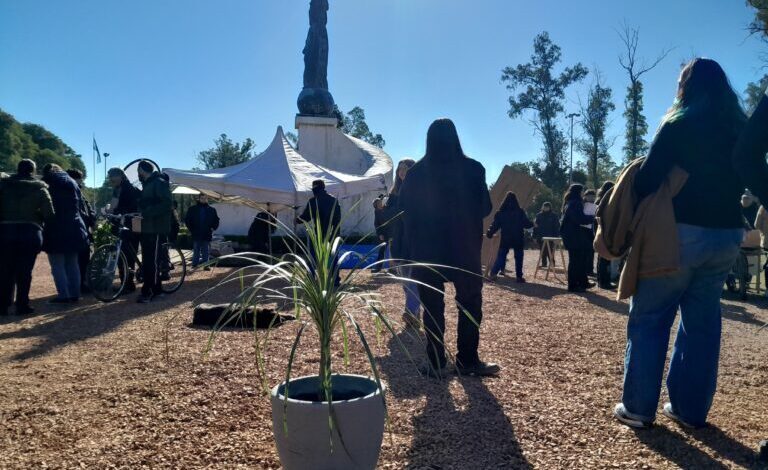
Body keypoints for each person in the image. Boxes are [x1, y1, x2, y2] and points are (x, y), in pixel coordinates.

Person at [613, 58, 747, 430]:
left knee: (651, 318)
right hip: (727, 235)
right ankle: (689, 410)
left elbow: (647, 180)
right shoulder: (739, 127)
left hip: (679, 233)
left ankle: (638, 408)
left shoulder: (678, 125)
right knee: (702, 324)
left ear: (685, 86)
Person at [400, 118, 498, 377]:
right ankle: (467, 360)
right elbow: (485, 208)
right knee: (470, 304)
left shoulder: (415, 173)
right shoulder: (474, 169)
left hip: (427, 249)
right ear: (456, 137)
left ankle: (435, 362)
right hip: (464, 247)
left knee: (432, 306)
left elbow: (405, 211)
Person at [0, 160, 54, 315]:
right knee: (25, 271)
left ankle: (3, 305)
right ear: (33, 171)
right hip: (30, 232)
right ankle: (22, 305)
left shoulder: (4, 186)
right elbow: (49, 213)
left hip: (5, 231)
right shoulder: (40, 189)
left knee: (4, 270)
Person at [41, 164, 89, 304]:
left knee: (57, 264)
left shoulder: (48, 183)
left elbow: (46, 209)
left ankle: (64, 296)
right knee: (73, 263)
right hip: (75, 226)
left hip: (56, 227)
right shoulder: (73, 183)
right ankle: (75, 294)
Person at [384, 159, 421, 328]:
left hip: (414, 241)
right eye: (400, 169)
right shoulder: (393, 195)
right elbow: (388, 219)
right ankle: (415, 309)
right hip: (397, 241)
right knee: (405, 280)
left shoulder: (420, 192)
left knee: (412, 278)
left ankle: (411, 312)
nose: (402, 172)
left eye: (405, 169)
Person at [136, 160, 173, 303]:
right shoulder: (149, 184)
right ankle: (155, 289)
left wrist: (147, 213)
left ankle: (149, 291)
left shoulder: (158, 182)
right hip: (148, 227)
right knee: (148, 260)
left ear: (142, 170)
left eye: (139, 171)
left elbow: (166, 203)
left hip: (156, 228)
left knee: (152, 260)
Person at [296, 179, 341, 285]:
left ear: (314, 189)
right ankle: (335, 280)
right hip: (333, 234)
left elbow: (306, 217)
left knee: (312, 256)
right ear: (324, 187)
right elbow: (338, 218)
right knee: (334, 257)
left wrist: (297, 219)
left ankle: (311, 278)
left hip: (318, 235)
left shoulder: (313, 201)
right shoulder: (334, 200)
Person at [107, 167, 142, 293]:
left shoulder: (126, 188)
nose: (111, 179)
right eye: (110, 176)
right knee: (123, 256)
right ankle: (125, 283)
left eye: (113, 176)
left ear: (121, 176)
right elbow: (114, 205)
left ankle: (128, 284)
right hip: (124, 224)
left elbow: (119, 206)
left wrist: (111, 212)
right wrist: (110, 212)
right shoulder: (121, 188)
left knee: (127, 256)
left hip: (129, 224)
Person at [487, 192, 533, 282]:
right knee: (519, 257)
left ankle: (493, 273)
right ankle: (519, 277)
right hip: (518, 237)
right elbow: (526, 224)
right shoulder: (520, 212)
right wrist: (533, 224)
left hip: (506, 238)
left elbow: (495, 225)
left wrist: (490, 233)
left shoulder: (501, 213)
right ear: (516, 201)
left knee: (501, 256)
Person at [560, 184, 595, 293]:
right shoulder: (575, 203)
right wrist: (593, 218)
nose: (583, 193)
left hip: (573, 235)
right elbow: (579, 218)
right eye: (582, 191)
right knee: (576, 261)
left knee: (580, 259)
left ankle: (583, 282)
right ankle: (573, 285)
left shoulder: (570, 202)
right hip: (574, 235)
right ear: (578, 192)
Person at [66, 169, 96, 293]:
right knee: (78, 261)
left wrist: (92, 219)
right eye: (80, 179)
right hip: (78, 230)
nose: (82, 182)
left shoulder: (77, 191)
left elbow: (88, 209)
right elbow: (83, 212)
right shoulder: (73, 191)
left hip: (81, 231)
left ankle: (81, 284)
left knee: (82, 260)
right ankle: (78, 285)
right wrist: (91, 220)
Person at [184, 194, 220, 270]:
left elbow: (216, 220)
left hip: (206, 232)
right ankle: (194, 265)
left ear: (207, 199)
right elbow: (187, 220)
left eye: (205, 198)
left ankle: (206, 265)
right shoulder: (192, 209)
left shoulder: (212, 210)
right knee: (196, 249)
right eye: (202, 198)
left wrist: (213, 228)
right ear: (199, 199)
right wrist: (191, 229)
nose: (203, 199)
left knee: (205, 249)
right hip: (196, 232)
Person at [596, 181, 616, 289]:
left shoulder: (599, 200)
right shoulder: (607, 201)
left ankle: (602, 280)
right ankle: (604, 281)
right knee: (605, 258)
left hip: (601, 231)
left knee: (602, 257)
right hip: (605, 231)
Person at [534, 202, 559, 267]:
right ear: (542, 207)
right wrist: (534, 236)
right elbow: (535, 226)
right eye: (544, 206)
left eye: (547, 207)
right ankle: (544, 264)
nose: (545, 208)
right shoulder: (538, 215)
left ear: (550, 207)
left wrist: (556, 237)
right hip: (541, 237)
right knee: (542, 252)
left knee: (550, 251)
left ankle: (552, 265)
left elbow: (556, 227)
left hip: (551, 237)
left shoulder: (554, 216)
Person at [583, 189, 598, 276]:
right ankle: (586, 269)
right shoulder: (582, 205)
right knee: (585, 251)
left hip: (592, 230)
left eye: (593, 196)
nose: (591, 197)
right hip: (584, 230)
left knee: (591, 251)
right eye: (589, 196)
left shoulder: (596, 206)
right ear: (585, 197)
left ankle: (590, 269)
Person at [372, 196, 388, 273]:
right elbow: (376, 224)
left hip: (390, 233)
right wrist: (380, 234)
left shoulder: (386, 208)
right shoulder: (377, 212)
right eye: (379, 203)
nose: (381, 203)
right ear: (376, 205)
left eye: (380, 202)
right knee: (382, 251)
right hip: (383, 235)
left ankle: (394, 268)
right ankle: (378, 268)